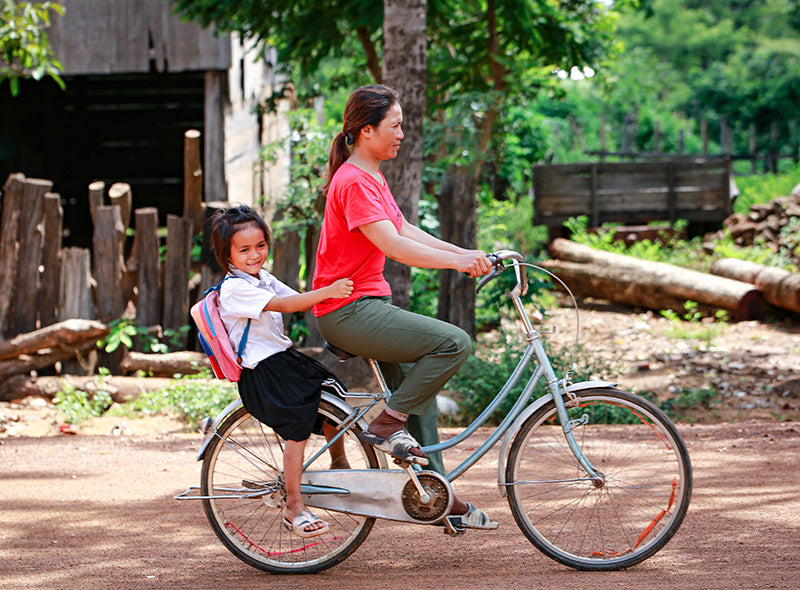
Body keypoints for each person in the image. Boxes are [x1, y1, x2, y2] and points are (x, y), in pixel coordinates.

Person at [312, 84, 497, 530]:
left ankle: (437, 495)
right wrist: (457, 262)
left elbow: (405, 228)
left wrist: (470, 254)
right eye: (394, 126)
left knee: (421, 398)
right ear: (366, 130)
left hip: (367, 305)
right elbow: (393, 246)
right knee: (453, 343)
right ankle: (385, 424)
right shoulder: (353, 181)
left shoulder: (371, 176)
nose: (401, 135)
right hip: (348, 310)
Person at [209, 204, 354, 539]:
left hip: (284, 360)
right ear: (226, 255)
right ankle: (293, 506)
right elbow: (287, 306)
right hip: (263, 372)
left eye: (260, 246)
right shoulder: (234, 289)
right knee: (297, 429)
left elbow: (300, 298)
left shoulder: (263, 278)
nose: (255, 254)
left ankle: (340, 463)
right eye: (244, 249)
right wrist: (328, 292)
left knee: (335, 398)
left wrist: (339, 296)